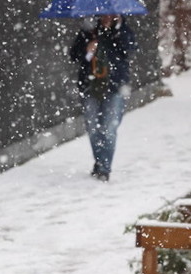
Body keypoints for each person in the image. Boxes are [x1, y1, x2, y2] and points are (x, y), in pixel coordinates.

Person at [69, 15, 136, 182]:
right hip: (90, 87)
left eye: (111, 14)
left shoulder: (123, 30)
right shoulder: (89, 31)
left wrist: (118, 29)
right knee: (93, 128)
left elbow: (130, 48)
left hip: (115, 87)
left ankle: (104, 168)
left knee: (109, 128)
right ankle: (99, 162)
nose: (107, 17)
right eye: (104, 14)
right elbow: (74, 55)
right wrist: (87, 51)